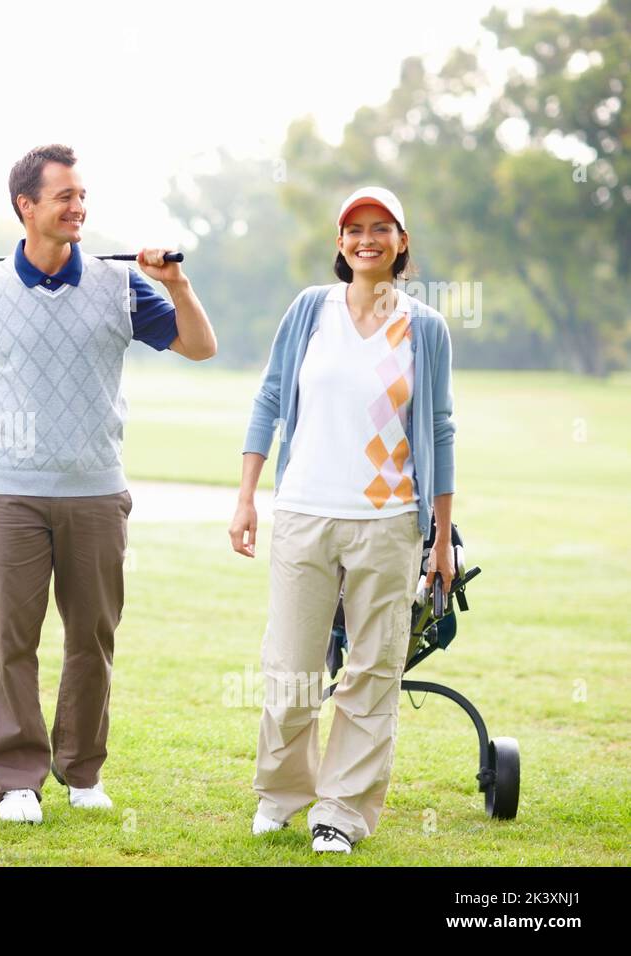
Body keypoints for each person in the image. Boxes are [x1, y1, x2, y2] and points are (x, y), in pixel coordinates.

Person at [0, 144, 217, 823]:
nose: (79, 205)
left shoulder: (120, 287)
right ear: (27, 207)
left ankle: (83, 772)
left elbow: (201, 346)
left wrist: (176, 285)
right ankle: (18, 779)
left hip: (96, 492)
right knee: (12, 641)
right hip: (9, 492)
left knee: (92, 638)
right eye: (65, 195)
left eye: (83, 194)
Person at [229, 186, 457, 853]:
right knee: (292, 666)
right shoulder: (309, 311)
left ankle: (342, 813)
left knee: (372, 669)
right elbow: (270, 399)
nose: (367, 239)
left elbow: (440, 431)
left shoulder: (425, 327)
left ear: (402, 241)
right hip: (303, 512)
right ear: (339, 243)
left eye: (380, 228)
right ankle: (282, 792)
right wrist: (246, 496)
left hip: (389, 522)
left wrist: (439, 537)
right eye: (354, 229)